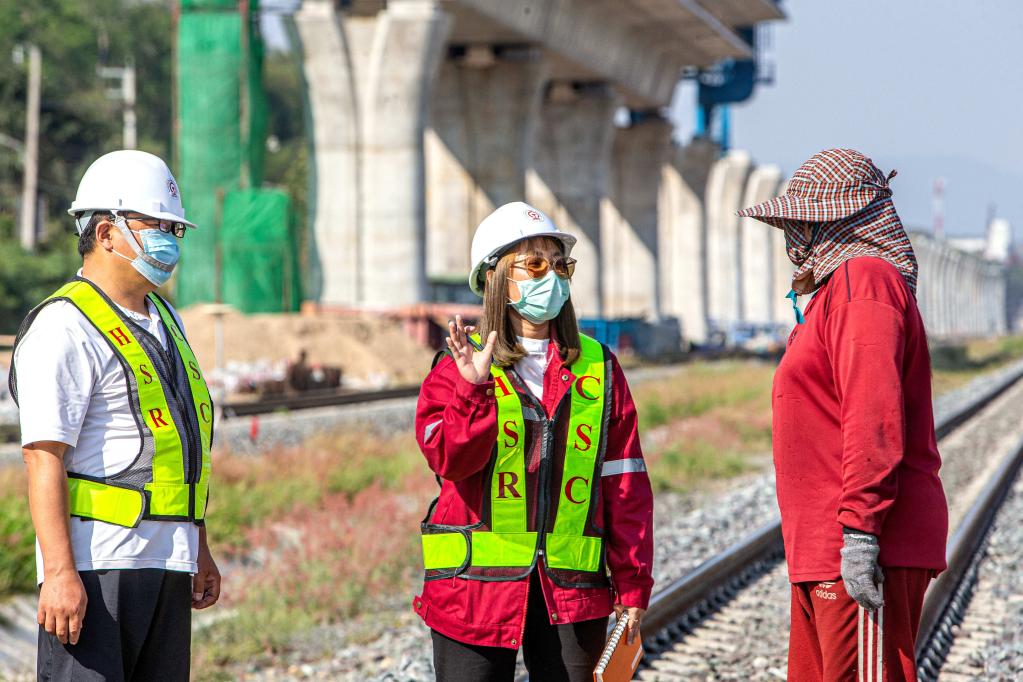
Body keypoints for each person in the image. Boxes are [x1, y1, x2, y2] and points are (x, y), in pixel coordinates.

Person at [412, 202, 654, 682]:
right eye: (536, 264)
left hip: (572, 593)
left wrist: (632, 587)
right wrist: (473, 388)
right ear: (497, 277)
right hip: (473, 591)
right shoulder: (458, 367)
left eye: (560, 265)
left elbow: (624, 484)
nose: (553, 277)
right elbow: (450, 460)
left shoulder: (599, 368)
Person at [9, 150, 221, 681]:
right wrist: (59, 572)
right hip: (98, 566)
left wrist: (200, 546)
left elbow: (180, 451)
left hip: (167, 563)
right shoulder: (66, 326)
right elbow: (43, 457)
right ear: (106, 233)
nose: (172, 240)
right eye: (161, 226)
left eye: (177, 229)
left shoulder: (166, 320)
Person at [738, 149, 948, 681]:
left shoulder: (866, 283)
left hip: (858, 547)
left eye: (802, 224)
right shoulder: (842, 290)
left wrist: (860, 535)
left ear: (837, 221)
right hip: (826, 547)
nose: (793, 239)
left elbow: (873, 417)